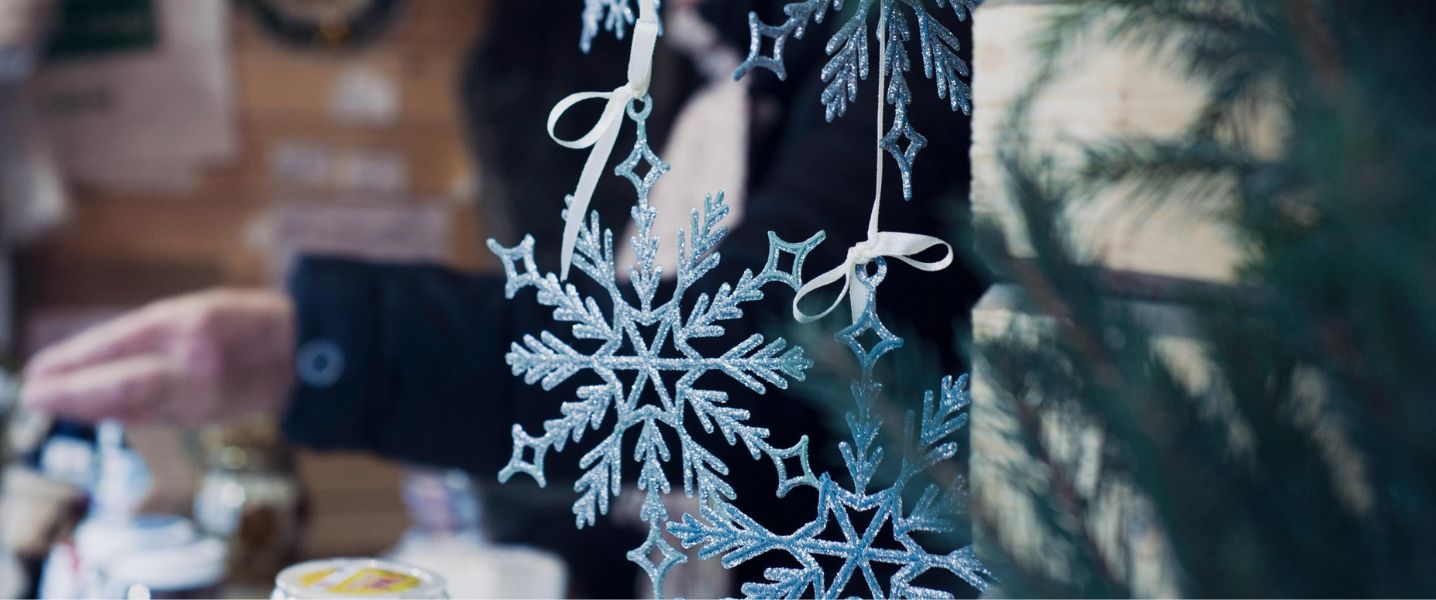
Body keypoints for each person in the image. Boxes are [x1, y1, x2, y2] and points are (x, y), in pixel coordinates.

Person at [20, 1, 982, 596]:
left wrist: (323, 347)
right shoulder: (625, 57)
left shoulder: (898, 41)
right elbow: (586, 438)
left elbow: (758, 357)